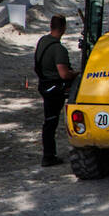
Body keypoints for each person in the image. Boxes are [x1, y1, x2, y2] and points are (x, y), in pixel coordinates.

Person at [35, 15, 76, 167]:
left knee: (49, 121)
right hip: (54, 89)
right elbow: (64, 74)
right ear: (64, 28)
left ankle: (49, 153)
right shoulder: (59, 49)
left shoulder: (43, 41)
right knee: (51, 122)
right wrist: (76, 74)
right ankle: (48, 156)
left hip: (44, 84)